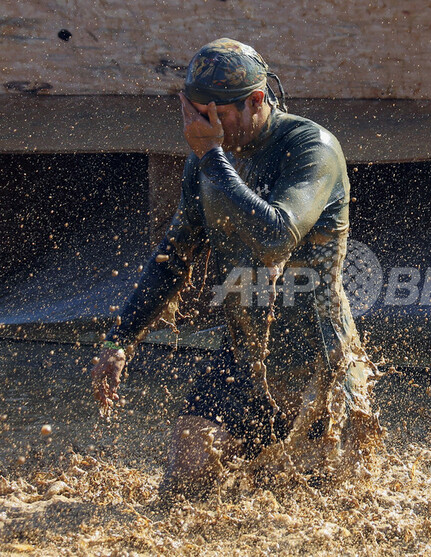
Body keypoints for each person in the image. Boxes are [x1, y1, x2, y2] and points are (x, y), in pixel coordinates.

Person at [89, 38, 382, 498]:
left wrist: (210, 157)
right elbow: (174, 257)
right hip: (245, 358)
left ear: (257, 101)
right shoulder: (206, 161)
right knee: (183, 480)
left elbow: (276, 239)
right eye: (195, 114)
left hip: (319, 363)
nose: (206, 128)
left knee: (329, 513)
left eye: (217, 116)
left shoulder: (311, 148)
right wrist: (118, 339)